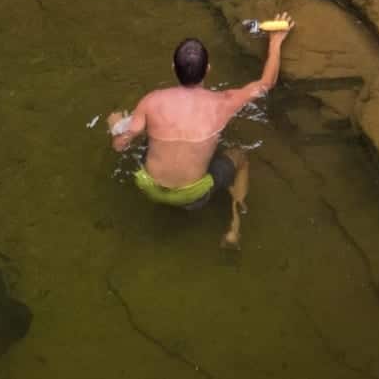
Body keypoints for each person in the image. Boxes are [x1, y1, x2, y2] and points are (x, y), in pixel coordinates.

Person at [108, 19, 292, 249]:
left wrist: (116, 126)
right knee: (241, 156)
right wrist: (275, 42)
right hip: (193, 196)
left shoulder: (152, 100)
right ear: (208, 69)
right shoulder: (223, 103)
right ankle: (235, 222)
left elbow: (120, 145)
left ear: (173, 68)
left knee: (148, 136)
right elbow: (266, 83)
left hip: (148, 186)